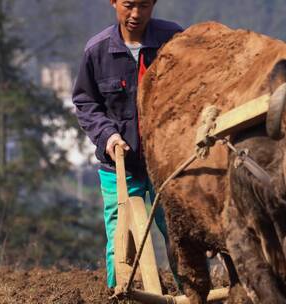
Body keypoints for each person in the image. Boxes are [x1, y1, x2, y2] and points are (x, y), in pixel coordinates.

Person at [72, 0, 183, 288]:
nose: (135, 14)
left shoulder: (174, 42)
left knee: (181, 236)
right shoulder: (97, 51)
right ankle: (117, 293)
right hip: (119, 165)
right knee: (120, 241)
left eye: (144, 6)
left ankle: (193, 294)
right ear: (114, 2)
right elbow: (85, 103)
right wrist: (108, 135)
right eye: (129, 5)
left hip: (167, 165)